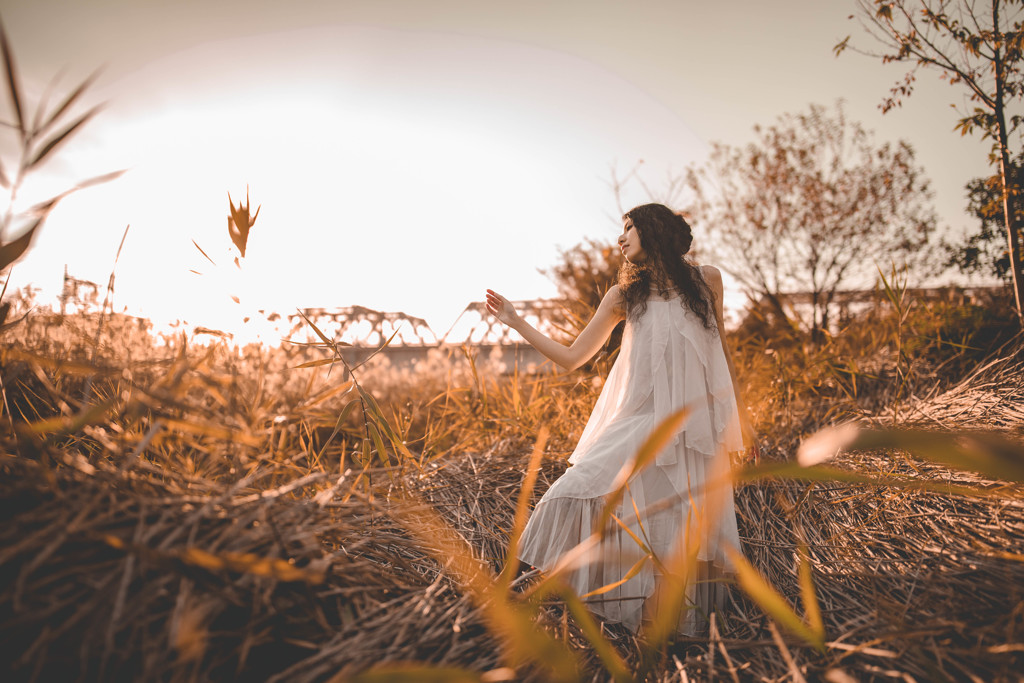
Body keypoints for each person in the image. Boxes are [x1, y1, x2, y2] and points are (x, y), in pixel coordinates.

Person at [484, 203, 751, 635]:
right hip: (638, 421)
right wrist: (517, 323)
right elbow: (573, 358)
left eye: (629, 227)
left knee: (672, 533)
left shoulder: (708, 280)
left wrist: (741, 424)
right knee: (567, 492)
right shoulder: (623, 296)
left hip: (695, 433)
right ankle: (510, 592)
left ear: (654, 230)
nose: (620, 237)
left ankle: (654, 638)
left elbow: (723, 355)